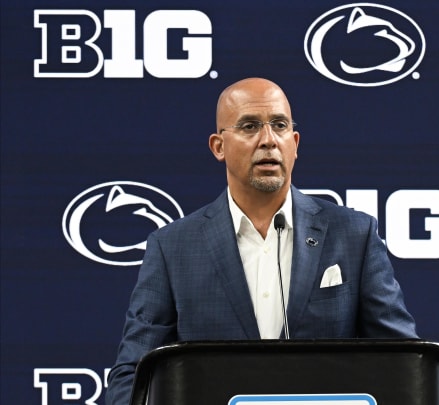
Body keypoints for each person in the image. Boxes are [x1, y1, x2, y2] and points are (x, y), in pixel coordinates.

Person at [105, 77, 417, 405]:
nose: (268, 140)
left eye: (279, 125)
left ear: (294, 143)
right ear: (218, 146)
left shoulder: (355, 235)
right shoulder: (172, 248)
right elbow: (132, 377)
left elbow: (405, 366)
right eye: (250, 126)